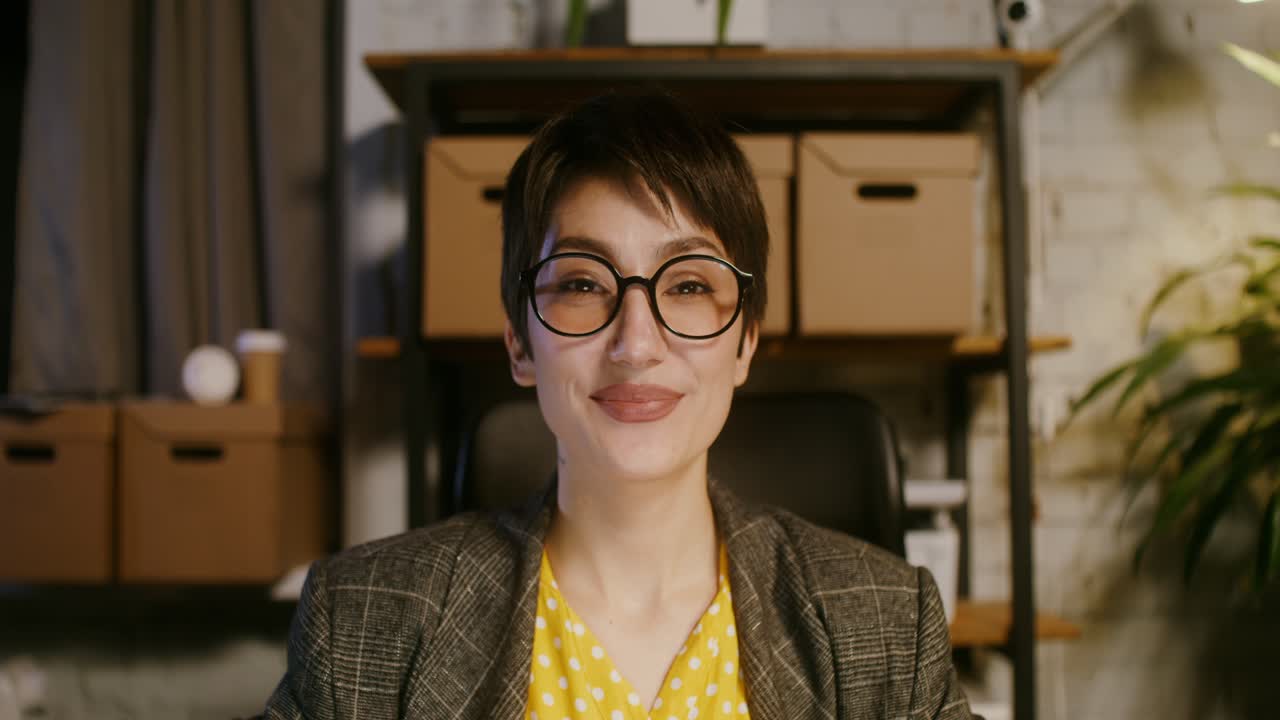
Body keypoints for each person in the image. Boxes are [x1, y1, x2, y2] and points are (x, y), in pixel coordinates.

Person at [264, 90, 977, 720]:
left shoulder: (886, 624)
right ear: (519, 343)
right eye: (581, 284)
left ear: (746, 343)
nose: (636, 343)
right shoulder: (364, 619)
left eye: (690, 287)